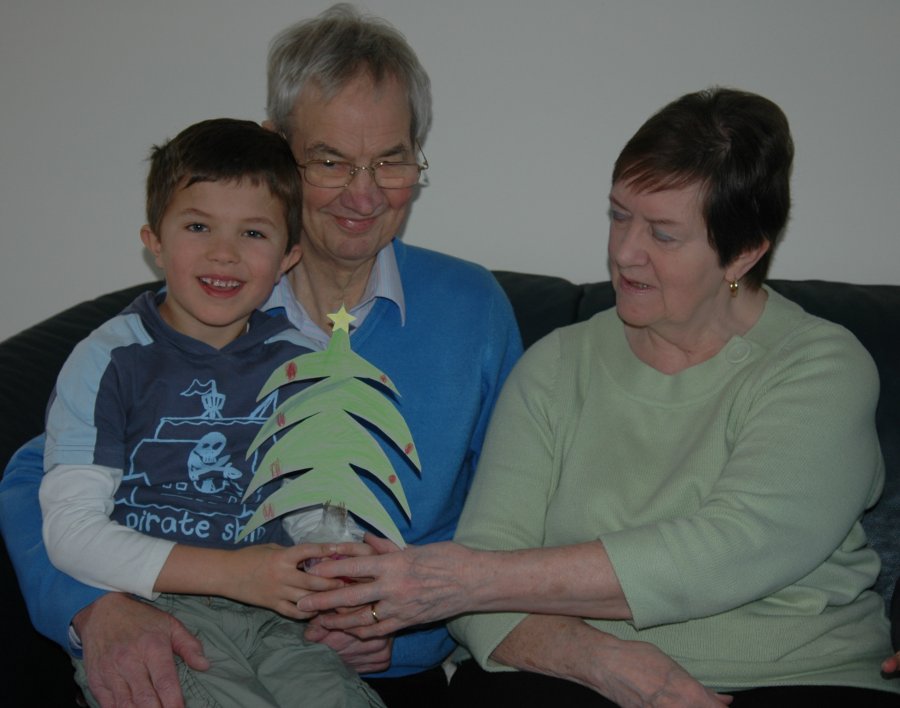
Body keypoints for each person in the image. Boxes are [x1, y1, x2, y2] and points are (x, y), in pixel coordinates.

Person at [292, 88, 900, 706]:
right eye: (619, 216)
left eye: (663, 234)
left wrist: (463, 579)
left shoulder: (818, 367)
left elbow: (734, 548)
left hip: (792, 677)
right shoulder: (557, 365)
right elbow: (478, 592)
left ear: (742, 254)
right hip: (572, 671)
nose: (625, 252)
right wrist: (603, 660)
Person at [0, 5, 522, 707]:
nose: (363, 194)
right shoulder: (206, 305)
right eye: (330, 161)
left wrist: (403, 625)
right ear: (278, 151)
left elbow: (509, 520)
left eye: (391, 160)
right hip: (193, 636)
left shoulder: (473, 310)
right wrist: (92, 607)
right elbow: (37, 473)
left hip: (385, 668)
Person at [36, 117, 385, 708]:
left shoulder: (304, 366)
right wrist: (231, 574)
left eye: (253, 233)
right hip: (152, 610)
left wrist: (345, 570)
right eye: (198, 226)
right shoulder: (110, 359)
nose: (224, 253)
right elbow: (69, 532)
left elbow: (311, 506)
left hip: (279, 618)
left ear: (288, 255)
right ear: (154, 240)